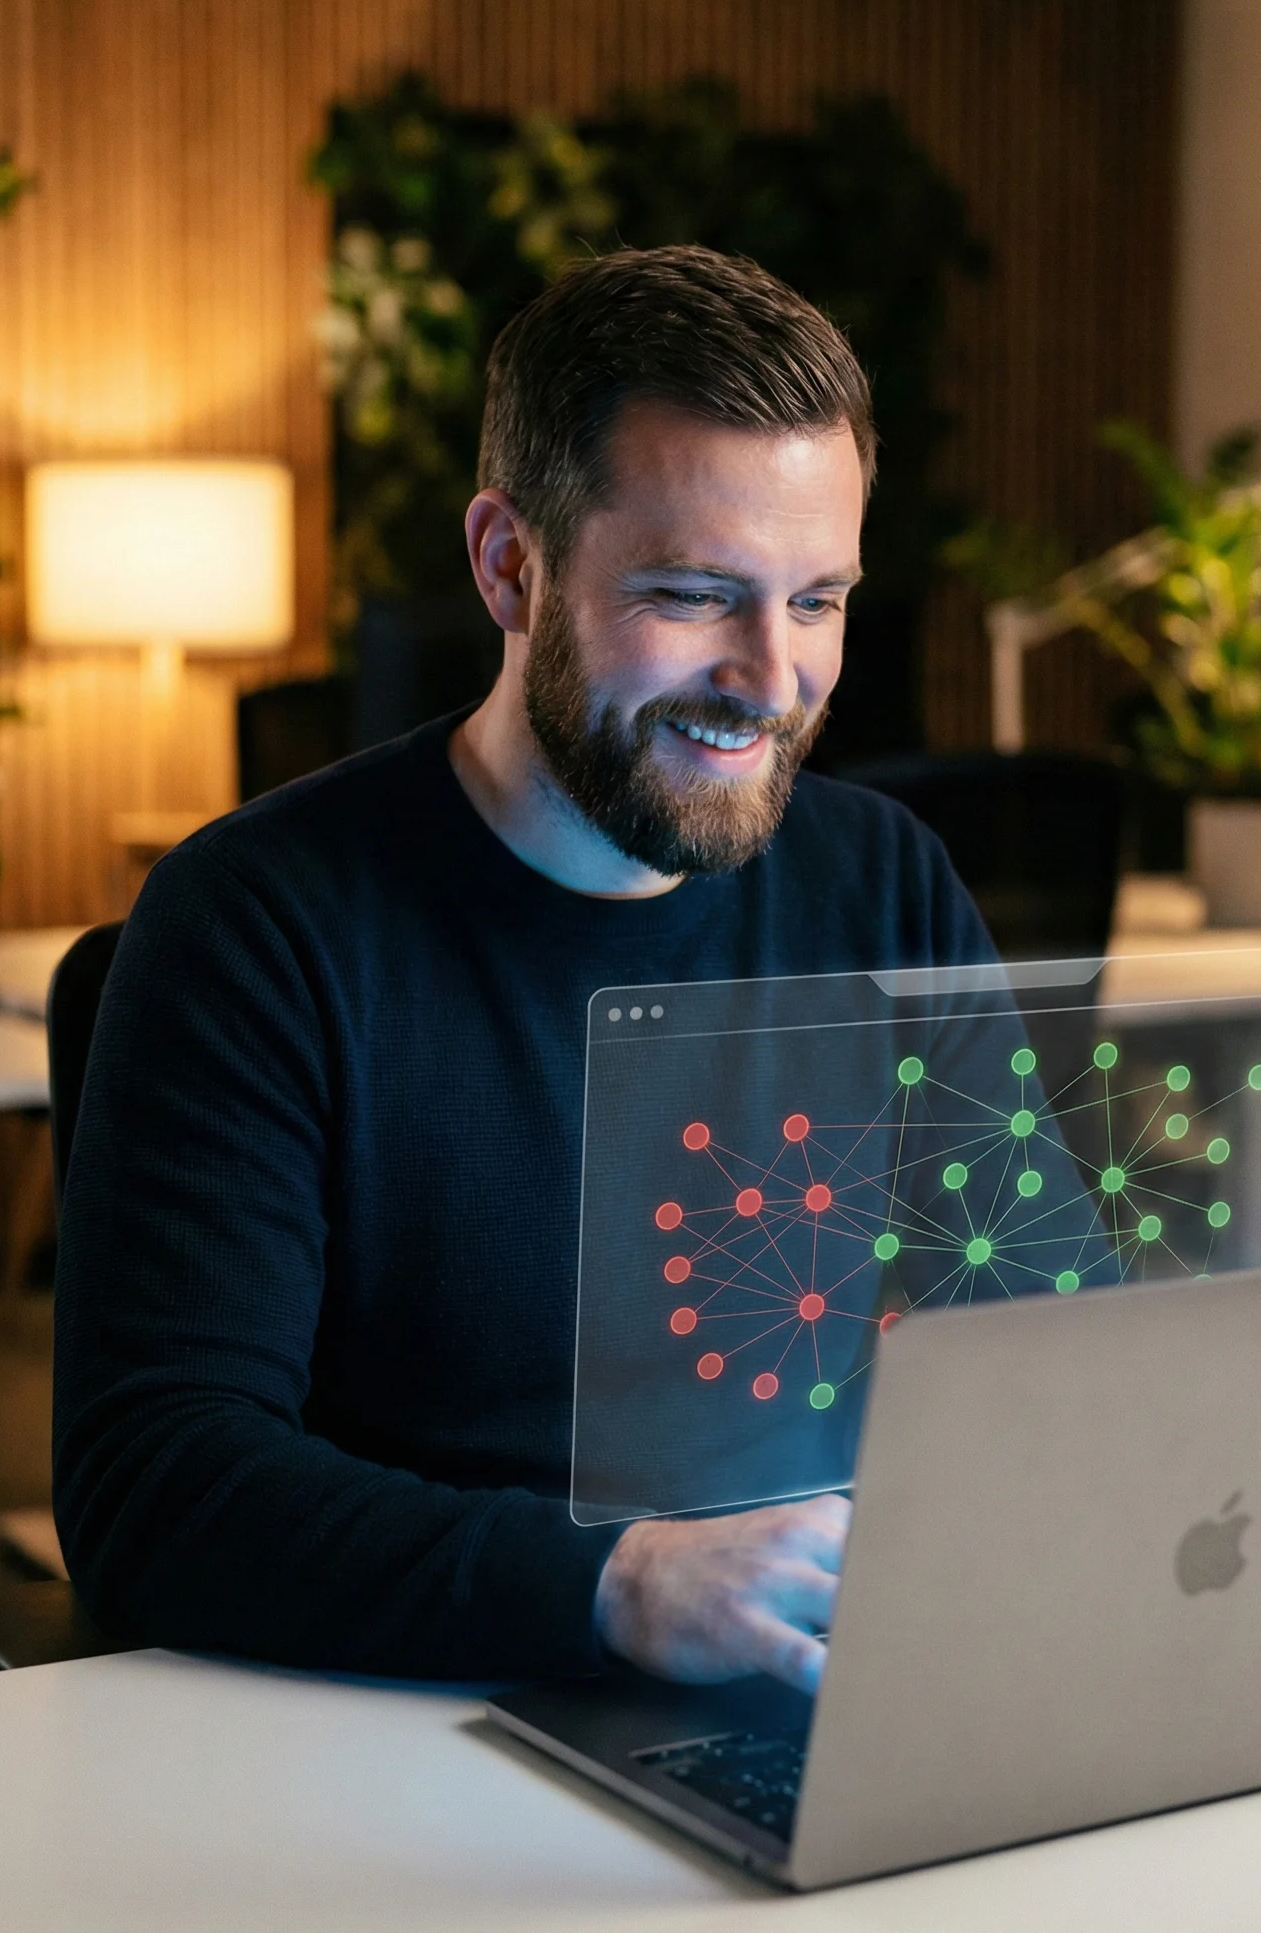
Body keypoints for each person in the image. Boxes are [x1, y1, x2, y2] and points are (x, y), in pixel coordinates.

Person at [54, 246, 996, 1695]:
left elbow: (1035, 1344)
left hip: (821, 1672)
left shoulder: (886, 882)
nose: (771, 677)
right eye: (695, 595)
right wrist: (617, 1586)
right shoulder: (254, 923)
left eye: (817, 601)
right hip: (408, 1712)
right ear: (509, 564)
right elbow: (158, 1483)